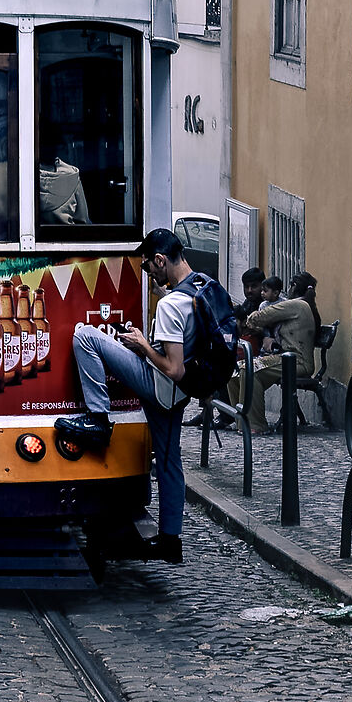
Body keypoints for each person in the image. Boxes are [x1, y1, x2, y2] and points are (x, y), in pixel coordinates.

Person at [58, 227, 229, 565]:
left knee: (86, 337)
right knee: (169, 461)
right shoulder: (203, 286)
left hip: (162, 386)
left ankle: (98, 419)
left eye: (149, 267)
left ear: (161, 259)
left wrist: (141, 346)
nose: (149, 273)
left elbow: (173, 367)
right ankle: (170, 540)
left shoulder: (170, 307)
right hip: (182, 394)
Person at [242, 274, 319, 428]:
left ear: (294, 287)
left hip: (297, 362)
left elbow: (262, 316)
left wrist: (250, 319)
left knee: (250, 370)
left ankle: (255, 425)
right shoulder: (302, 305)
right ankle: (242, 422)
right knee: (240, 369)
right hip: (287, 358)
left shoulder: (296, 305)